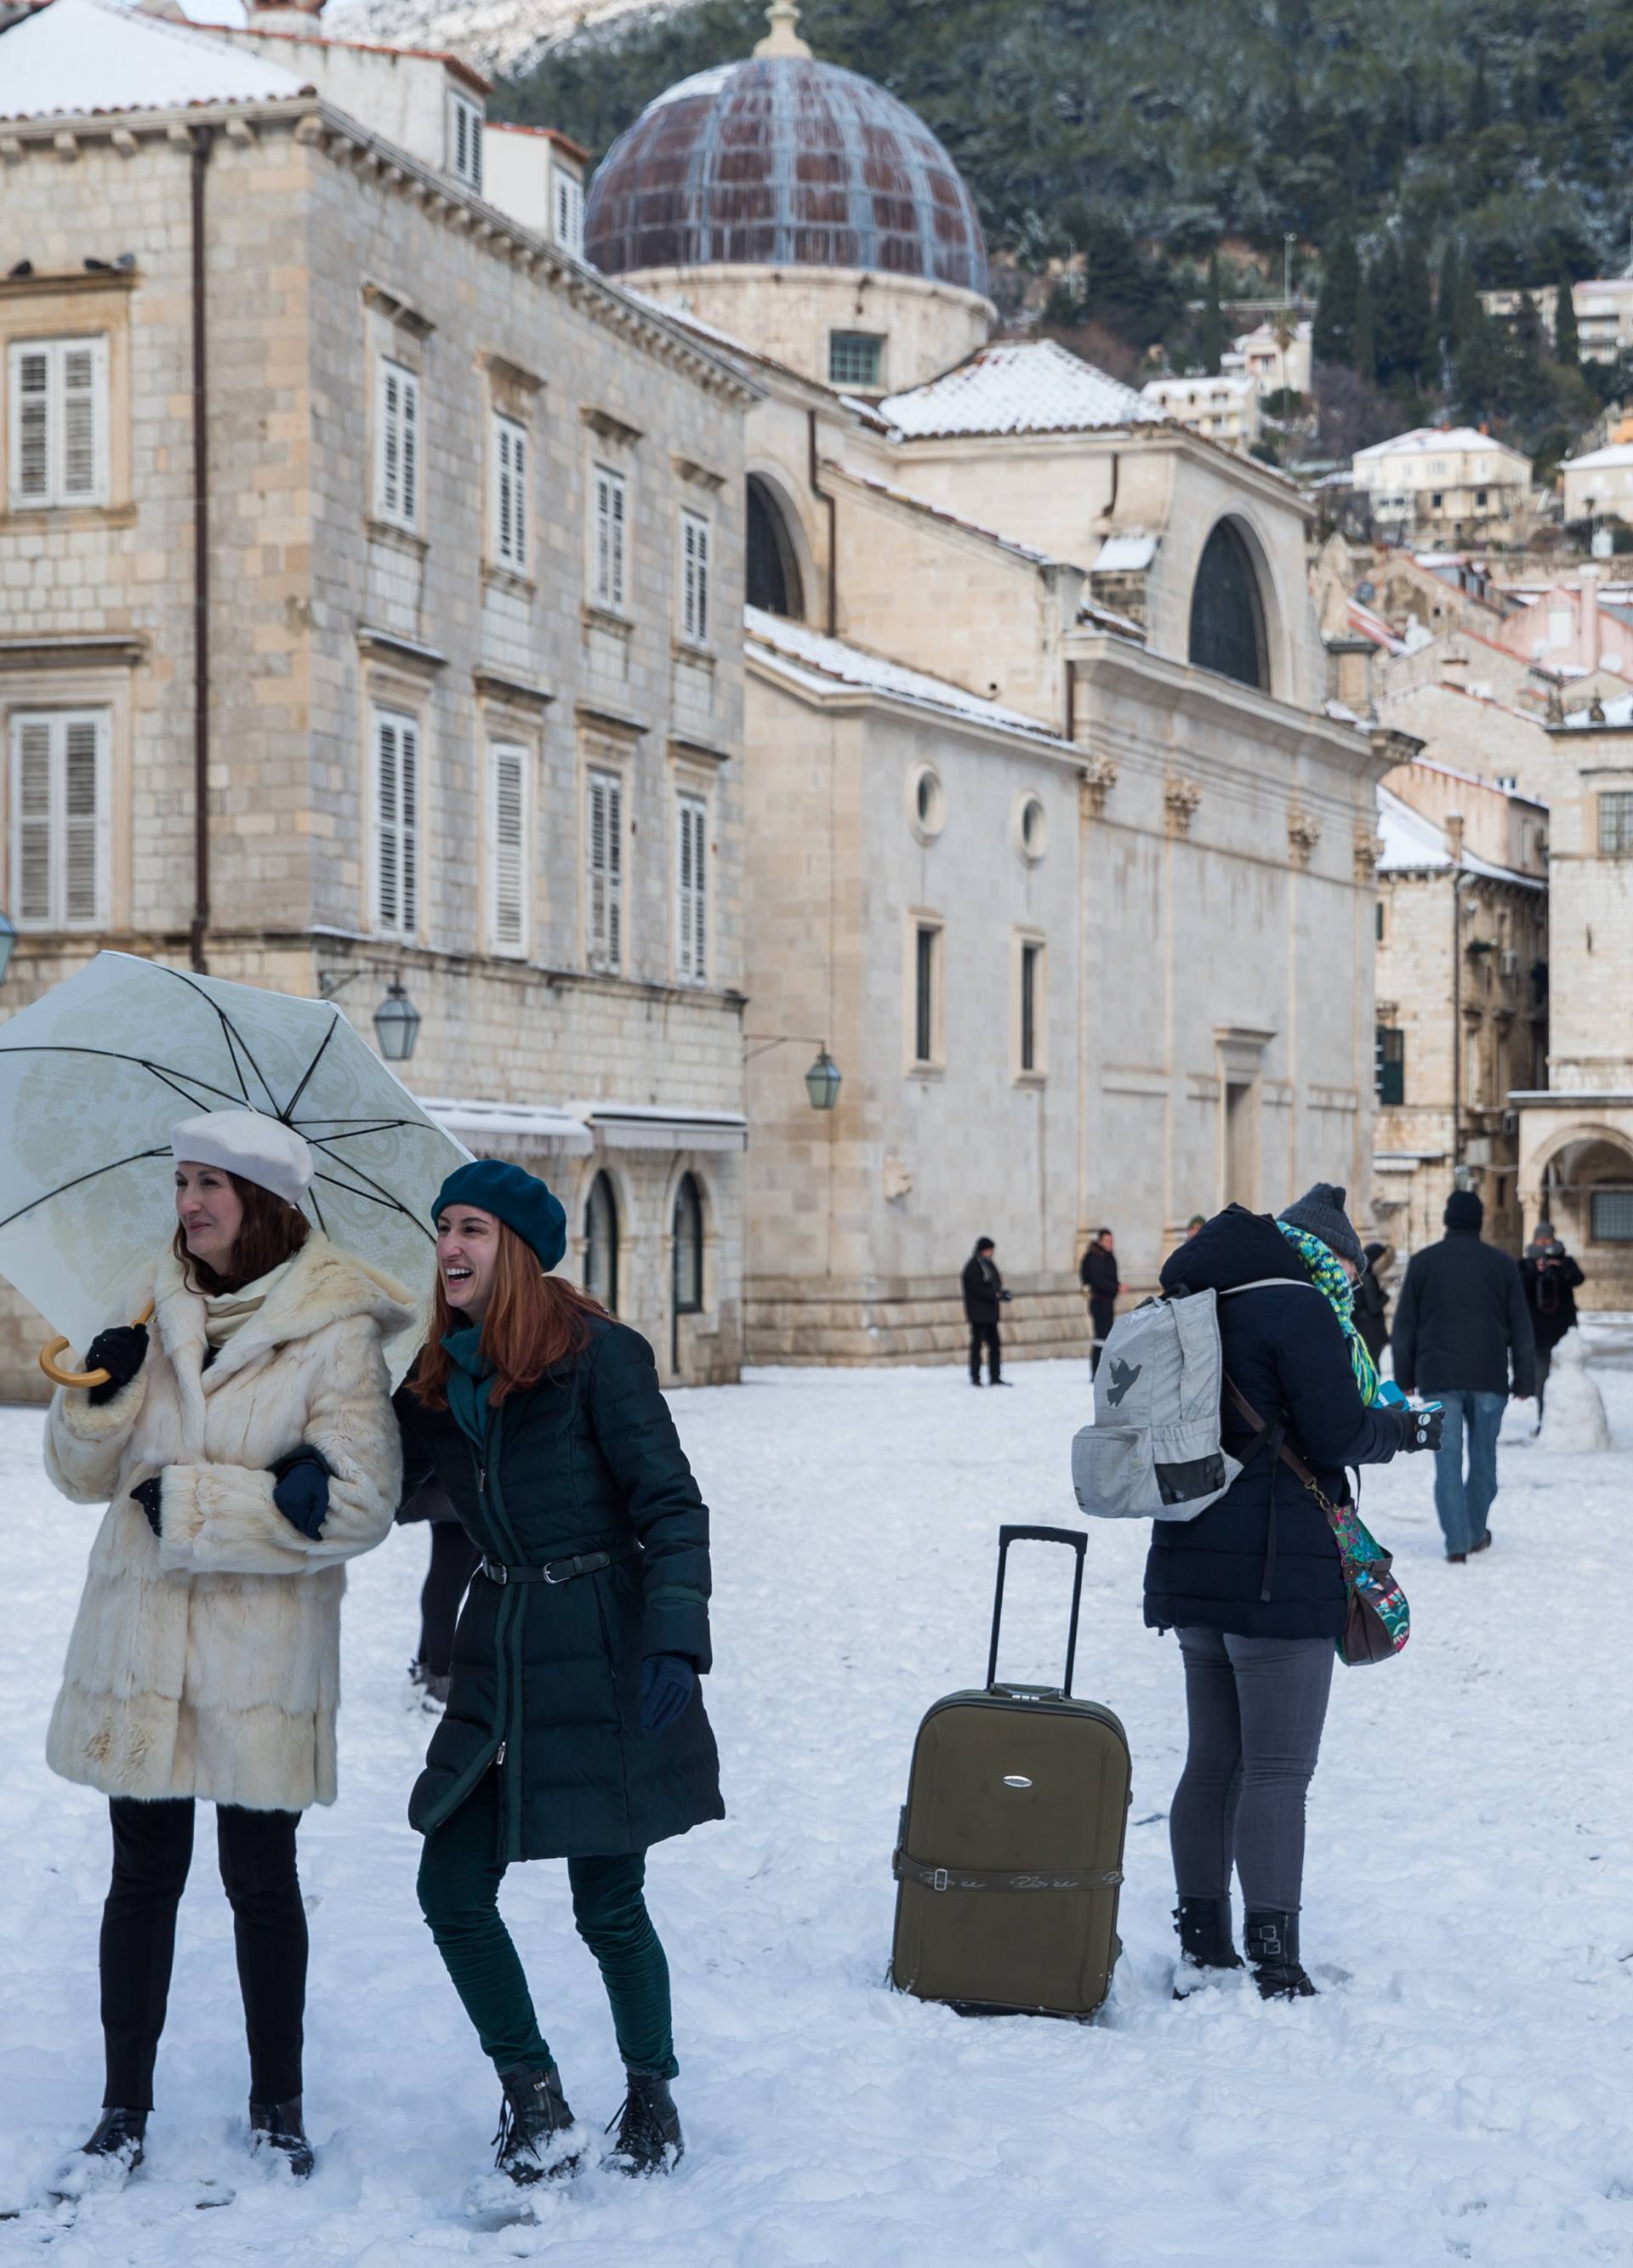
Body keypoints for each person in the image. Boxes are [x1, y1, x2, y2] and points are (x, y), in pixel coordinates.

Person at [41, 1109, 410, 2192]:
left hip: (261, 1655)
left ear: (265, 1203)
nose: (188, 1202)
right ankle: (122, 2110)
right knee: (140, 1879)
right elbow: (74, 1478)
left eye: (211, 1183)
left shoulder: (335, 1328)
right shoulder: (146, 1300)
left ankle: (277, 2106)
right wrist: (100, 1402)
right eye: (182, 1181)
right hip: (143, 1637)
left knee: (262, 1881)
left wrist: (205, 1503)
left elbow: (363, 1499)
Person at [396, 1161, 722, 2208]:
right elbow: (385, 1483)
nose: (451, 1245)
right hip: (498, 1645)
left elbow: (671, 1504)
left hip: (600, 1643)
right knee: (450, 1882)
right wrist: (323, 1449)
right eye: (444, 1227)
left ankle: (651, 2090)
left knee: (608, 1903)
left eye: (474, 1229)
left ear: (521, 1249)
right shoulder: (440, 1374)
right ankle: (531, 2092)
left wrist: (675, 1637)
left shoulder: (602, 1359)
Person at [1147, 1185, 1436, 1999]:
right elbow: (1341, 1431)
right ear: (1326, 1255)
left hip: (1191, 1556)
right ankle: (1275, 1955)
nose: (1352, 1283)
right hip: (1277, 1570)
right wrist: (1404, 1429)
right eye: (1349, 1268)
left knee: (1214, 1762)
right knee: (1278, 1770)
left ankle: (1203, 1943)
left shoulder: (1199, 1296)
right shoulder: (1299, 1307)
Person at [1392, 1189, 1536, 1561]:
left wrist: (1403, 1376)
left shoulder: (1424, 1263)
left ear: (1447, 1219)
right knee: (1484, 1460)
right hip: (1488, 1377)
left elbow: (1405, 1325)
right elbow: (1521, 1325)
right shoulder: (1501, 1264)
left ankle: (1457, 1542)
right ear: (1479, 1221)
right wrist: (1524, 1379)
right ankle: (1474, 1532)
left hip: (1438, 1375)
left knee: (1447, 1462)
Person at [400, 1478, 481, 1708]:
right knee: (448, 1581)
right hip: (458, 1485)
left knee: (452, 1579)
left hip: (456, 1485)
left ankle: (430, 1670)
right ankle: (438, 1681)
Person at [1521, 1219, 1585, 1414]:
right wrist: (1534, 1271)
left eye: (1546, 1238)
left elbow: (1578, 1279)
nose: (1543, 1243)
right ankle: (1544, 1419)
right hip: (1538, 1331)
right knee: (1542, 1378)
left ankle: (1573, 1417)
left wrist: (1561, 1268)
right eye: (1539, 1239)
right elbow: (1520, 1287)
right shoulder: (1526, 1264)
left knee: (1572, 1375)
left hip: (1562, 1328)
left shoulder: (1565, 1261)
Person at [961, 1235, 1012, 1386]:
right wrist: (994, 1295)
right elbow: (976, 1289)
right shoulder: (973, 1267)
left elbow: (995, 1283)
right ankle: (975, 1376)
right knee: (977, 1346)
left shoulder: (989, 1265)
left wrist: (1002, 1294)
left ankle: (995, 1375)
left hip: (990, 1313)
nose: (991, 1253)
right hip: (978, 1314)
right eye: (989, 1250)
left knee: (995, 1345)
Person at [1079, 1228, 1120, 1378]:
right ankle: (1096, 1371)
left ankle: (1103, 1371)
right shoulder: (1094, 1258)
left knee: (1107, 1337)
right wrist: (1116, 1287)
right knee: (1100, 1337)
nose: (1110, 1244)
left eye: (1111, 1241)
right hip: (1099, 1302)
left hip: (1108, 1301)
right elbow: (1097, 1281)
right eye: (1107, 1241)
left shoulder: (1107, 1257)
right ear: (1100, 1241)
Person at [1352, 1240, 1392, 1367]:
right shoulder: (1367, 1278)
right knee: (1374, 1369)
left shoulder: (1361, 1275)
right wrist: (1387, 1295)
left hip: (1365, 1332)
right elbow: (1374, 1307)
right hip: (1371, 1334)